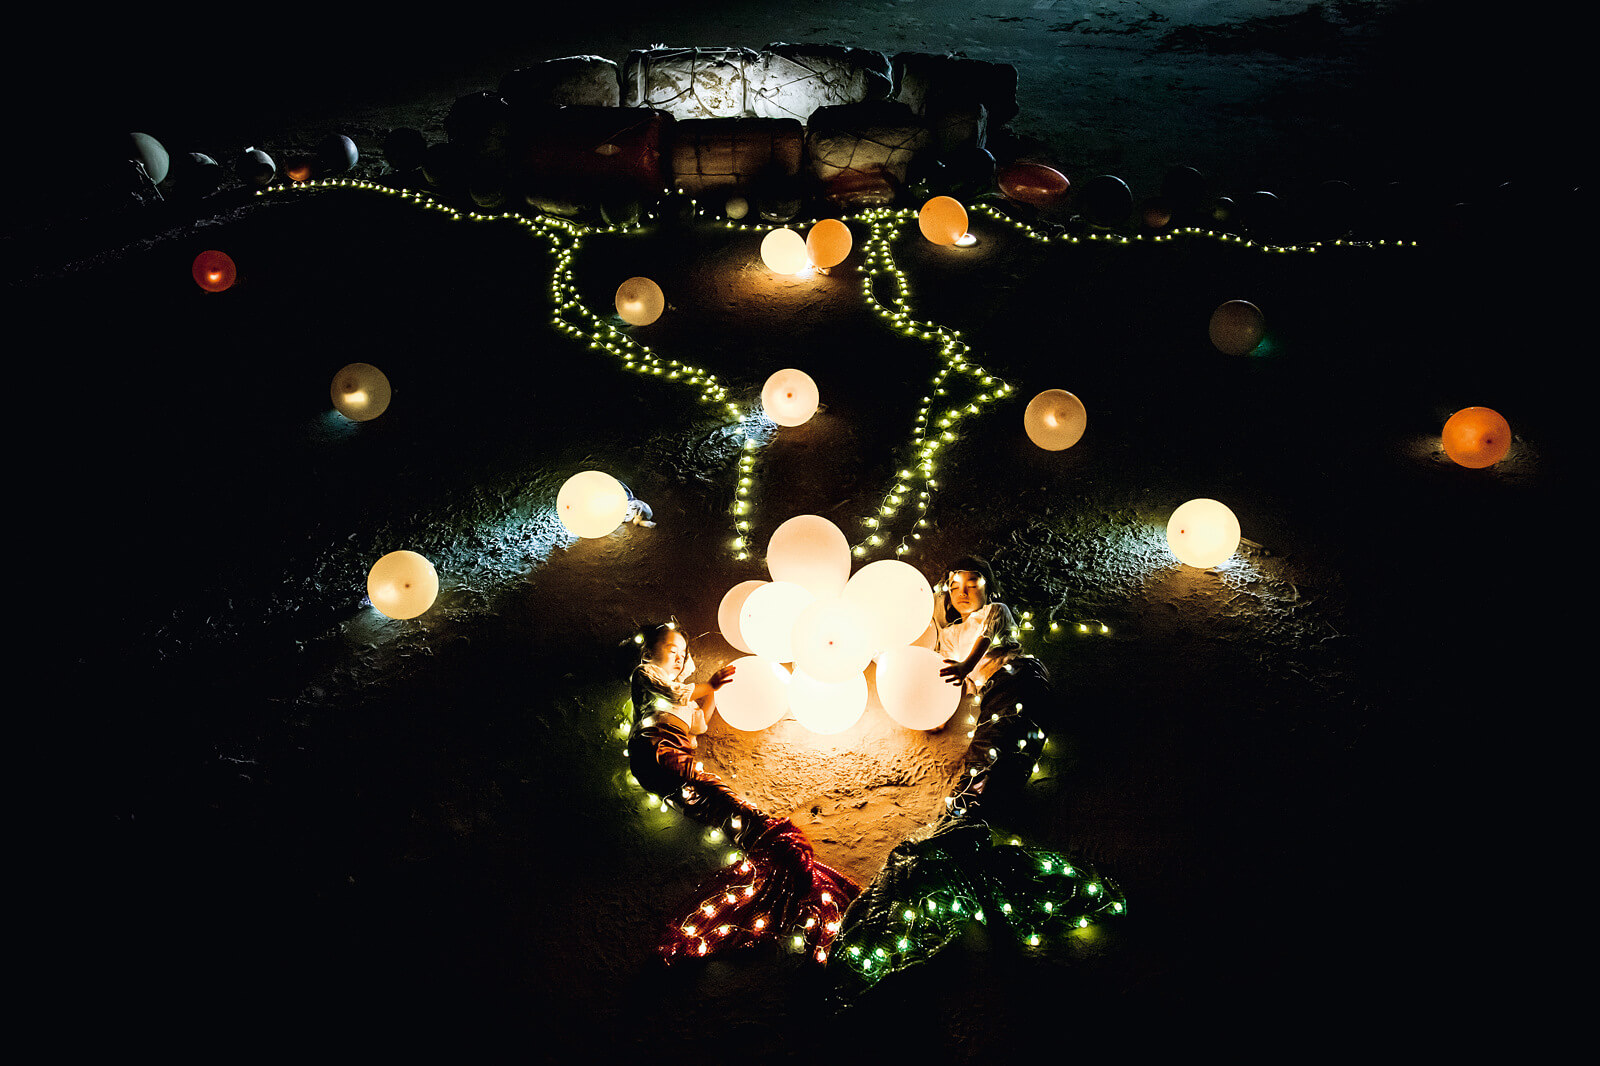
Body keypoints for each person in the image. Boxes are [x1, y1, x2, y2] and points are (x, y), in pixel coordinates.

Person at [932, 556, 1059, 823]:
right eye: (954, 587)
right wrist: (939, 716)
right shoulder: (949, 635)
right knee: (997, 744)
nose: (962, 592)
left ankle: (961, 816)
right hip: (993, 693)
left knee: (996, 742)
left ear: (988, 587)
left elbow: (986, 637)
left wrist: (966, 664)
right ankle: (978, 813)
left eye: (972, 583)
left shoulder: (996, 610)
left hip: (1021, 675)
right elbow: (956, 680)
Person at [628, 622, 768, 846]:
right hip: (655, 744)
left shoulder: (688, 702)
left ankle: (746, 833)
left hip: (676, 752)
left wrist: (714, 693)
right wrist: (709, 685)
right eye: (672, 650)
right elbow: (672, 693)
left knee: (701, 796)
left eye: (682, 654)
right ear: (648, 653)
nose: (678, 658)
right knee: (703, 784)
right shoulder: (646, 674)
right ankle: (754, 821)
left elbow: (700, 723)